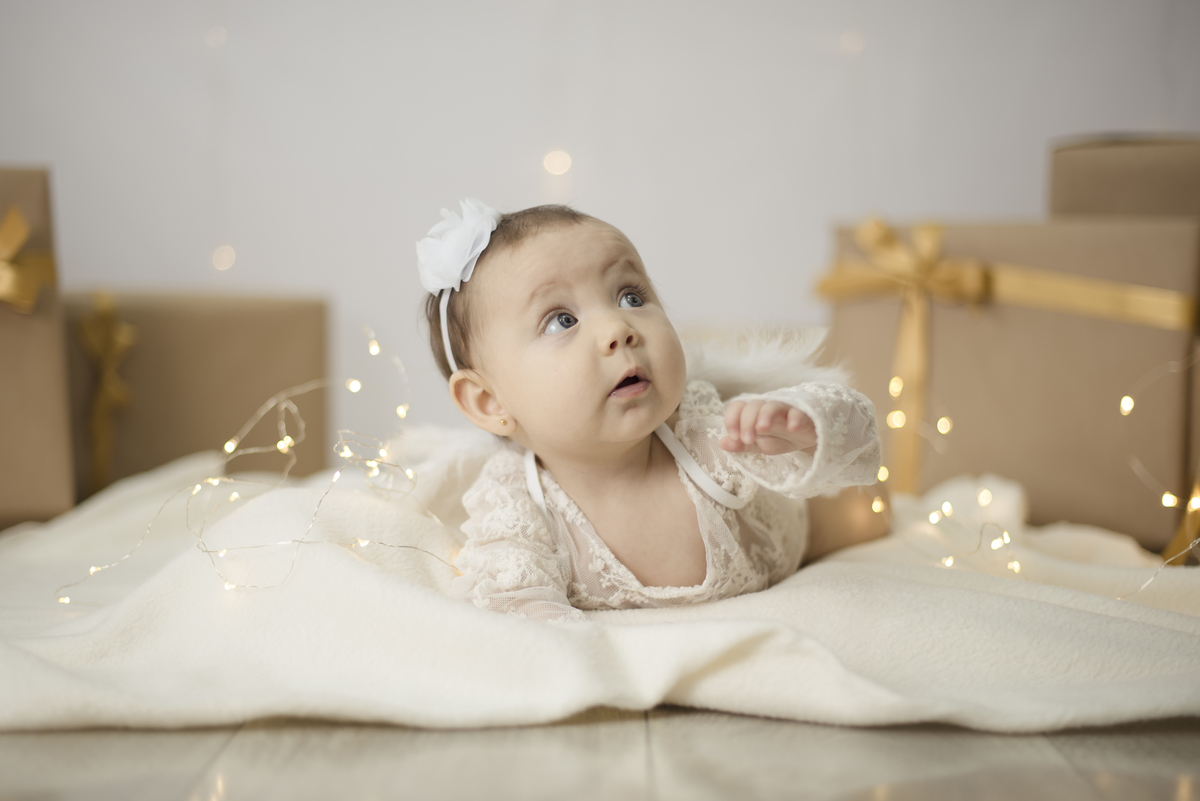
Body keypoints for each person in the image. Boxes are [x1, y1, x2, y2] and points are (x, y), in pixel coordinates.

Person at [417, 200, 883, 622]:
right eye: (562, 320)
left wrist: (802, 424)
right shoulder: (515, 503)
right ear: (490, 402)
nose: (617, 328)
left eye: (631, 297)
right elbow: (515, 610)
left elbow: (856, 437)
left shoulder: (704, 433)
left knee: (862, 516)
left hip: (795, 540)